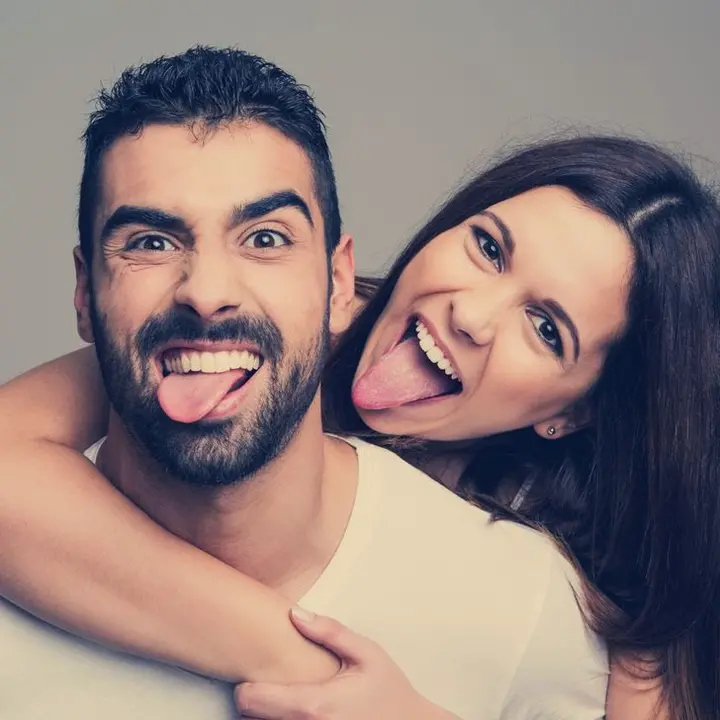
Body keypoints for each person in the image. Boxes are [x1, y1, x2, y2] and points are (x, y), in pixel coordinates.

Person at [0, 46, 612, 720]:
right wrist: (305, 666)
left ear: (339, 281)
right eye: (151, 242)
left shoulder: (528, 610)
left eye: (265, 239)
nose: (206, 292)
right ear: (84, 291)